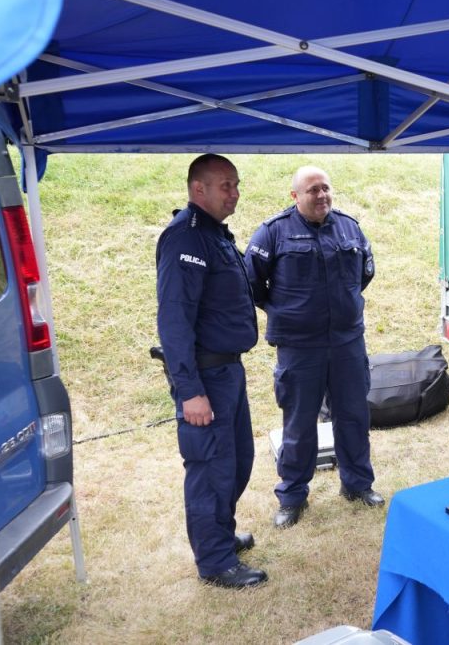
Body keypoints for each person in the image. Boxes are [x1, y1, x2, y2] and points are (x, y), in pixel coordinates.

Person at [245, 165, 383, 529]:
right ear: (295, 196)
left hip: (347, 342)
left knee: (354, 416)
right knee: (299, 423)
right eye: (312, 190)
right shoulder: (273, 232)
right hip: (299, 346)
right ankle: (292, 496)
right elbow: (251, 283)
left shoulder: (350, 227)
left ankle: (357, 484)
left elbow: (365, 273)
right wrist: (287, 311)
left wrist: (341, 307)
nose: (321, 195)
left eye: (325, 188)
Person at [156, 154, 266, 588]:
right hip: (205, 378)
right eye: (226, 185)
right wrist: (190, 391)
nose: (234, 193)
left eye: (236, 185)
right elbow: (175, 319)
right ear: (198, 188)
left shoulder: (214, 235)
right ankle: (215, 561)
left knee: (236, 462)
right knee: (210, 469)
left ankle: (220, 535)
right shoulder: (186, 237)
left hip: (228, 372)